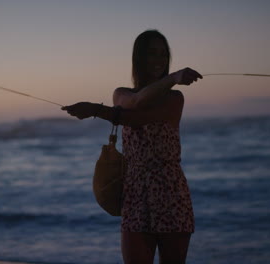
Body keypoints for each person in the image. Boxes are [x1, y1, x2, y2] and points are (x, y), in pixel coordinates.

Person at [62, 29, 202, 264]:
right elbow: (136, 103)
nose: (158, 60)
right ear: (139, 58)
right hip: (135, 193)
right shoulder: (121, 94)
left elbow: (134, 118)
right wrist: (173, 77)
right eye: (152, 53)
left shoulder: (175, 98)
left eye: (163, 54)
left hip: (170, 192)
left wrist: (96, 110)